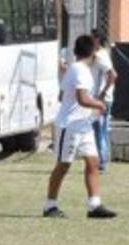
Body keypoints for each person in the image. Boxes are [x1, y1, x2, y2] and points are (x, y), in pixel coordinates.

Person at [44, 34, 116, 219]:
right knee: (63, 165)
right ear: (93, 51)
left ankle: (94, 206)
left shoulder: (78, 69)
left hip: (83, 124)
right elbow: (82, 99)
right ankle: (50, 206)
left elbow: (63, 97)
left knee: (93, 162)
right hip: (70, 125)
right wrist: (99, 104)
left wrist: (93, 105)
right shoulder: (79, 70)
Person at [89, 30, 117, 173]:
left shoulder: (100, 56)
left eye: (92, 38)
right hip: (103, 99)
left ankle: (103, 163)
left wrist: (102, 93)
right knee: (102, 130)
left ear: (97, 40)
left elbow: (113, 75)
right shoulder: (102, 54)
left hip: (102, 100)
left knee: (99, 131)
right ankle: (103, 160)